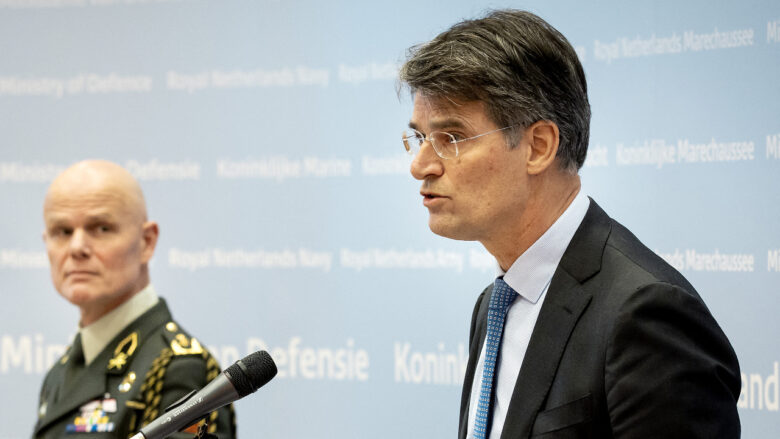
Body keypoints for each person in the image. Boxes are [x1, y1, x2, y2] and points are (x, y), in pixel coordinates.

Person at [399, 9, 740, 439]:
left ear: (539, 146)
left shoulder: (646, 314)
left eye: (450, 138)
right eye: (420, 138)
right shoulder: (495, 305)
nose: (420, 165)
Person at [33, 160, 235, 439]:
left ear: (147, 242)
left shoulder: (178, 367)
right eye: (63, 232)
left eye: (101, 228)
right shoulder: (64, 368)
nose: (77, 247)